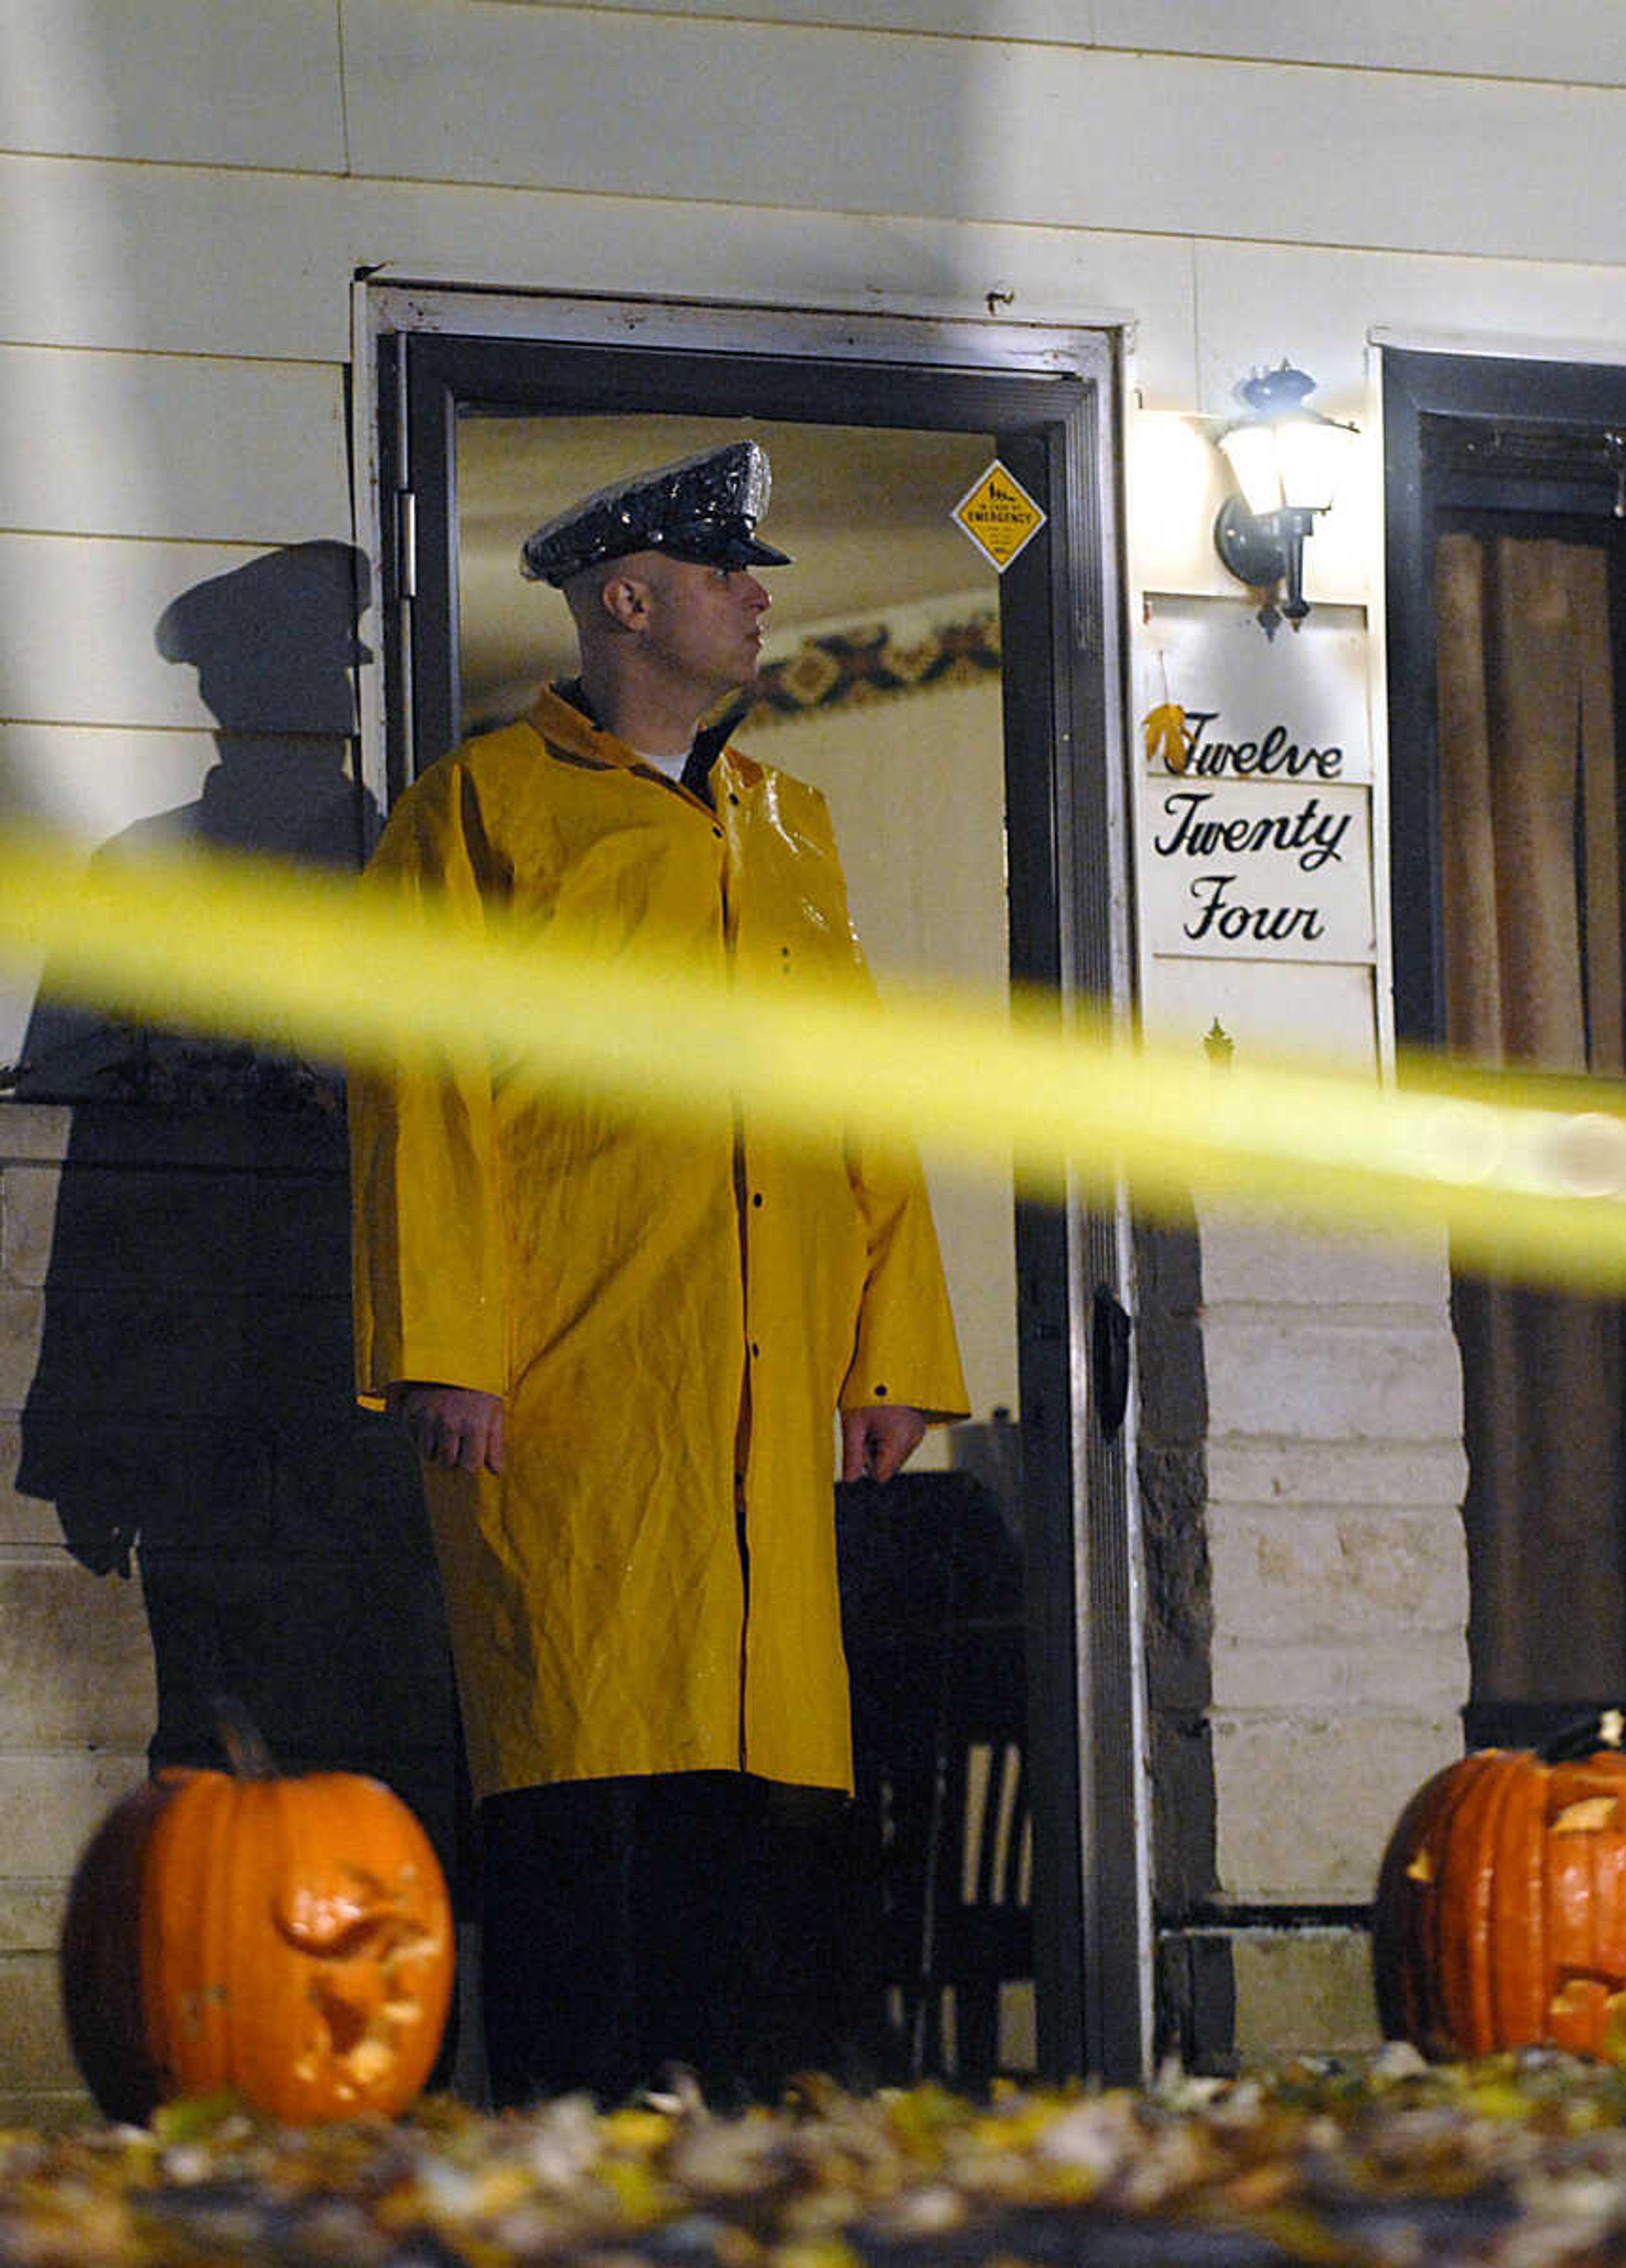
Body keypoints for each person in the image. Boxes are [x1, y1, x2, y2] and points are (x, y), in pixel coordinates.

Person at [348, 441, 969, 2107]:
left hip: (771, 1390)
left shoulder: (791, 822)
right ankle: (570, 2137)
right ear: (626, 600)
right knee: (581, 1765)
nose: (760, 599)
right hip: (572, 1384)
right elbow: (422, 1087)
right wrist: (446, 1346)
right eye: (724, 574)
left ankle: (742, 2135)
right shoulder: (478, 807)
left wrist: (889, 1347)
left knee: (759, 1787)